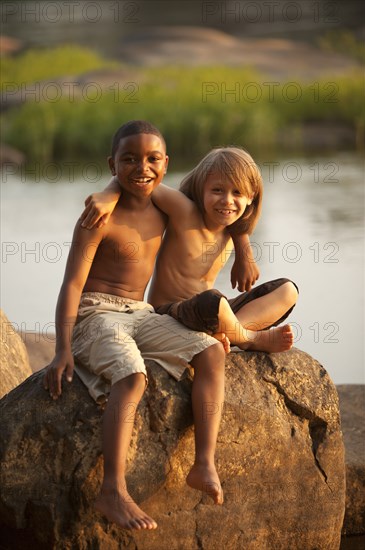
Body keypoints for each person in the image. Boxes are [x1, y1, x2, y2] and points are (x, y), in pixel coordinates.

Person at [43, 121, 229, 532]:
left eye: (151, 159)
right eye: (128, 159)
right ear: (112, 164)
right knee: (132, 374)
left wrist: (247, 250)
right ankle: (112, 488)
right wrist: (62, 349)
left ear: (166, 165)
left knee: (212, 352)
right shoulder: (98, 217)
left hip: (140, 311)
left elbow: (226, 214)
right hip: (95, 312)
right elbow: (72, 283)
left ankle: (204, 463)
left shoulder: (165, 208)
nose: (141, 167)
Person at [81, 147, 298, 353]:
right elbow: (138, 181)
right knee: (214, 301)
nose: (227, 201)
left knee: (288, 291)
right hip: (169, 315)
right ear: (201, 188)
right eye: (217, 190)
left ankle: (231, 333)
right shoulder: (184, 211)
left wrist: (245, 255)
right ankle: (249, 339)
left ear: (250, 197)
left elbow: (240, 228)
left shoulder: (233, 227)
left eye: (237, 192)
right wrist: (108, 196)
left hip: (211, 315)